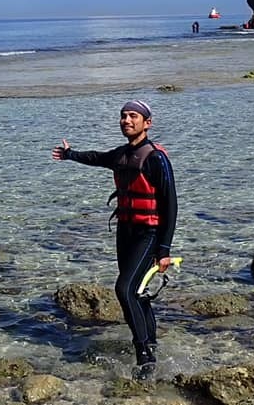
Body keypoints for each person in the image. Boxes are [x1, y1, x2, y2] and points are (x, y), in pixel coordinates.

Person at [50, 100, 177, 380]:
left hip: (149, 234)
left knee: (124, 289)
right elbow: (97, 158)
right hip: (126, 232)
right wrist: (71, 154)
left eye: (133, 116)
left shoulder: (155, 158)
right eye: (123, 116)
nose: (126, 120)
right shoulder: (121, 154)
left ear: (147, 123)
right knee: (137, 290)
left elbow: (170, 205)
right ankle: (151, 341)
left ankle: (143, 354)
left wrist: (164, 249)